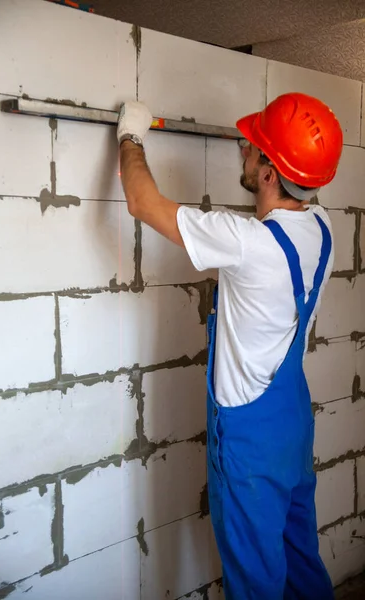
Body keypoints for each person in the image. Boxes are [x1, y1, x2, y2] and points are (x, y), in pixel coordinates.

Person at [116, 93, 343, 599]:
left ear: (269, 172)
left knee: (255, 582)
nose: (243, 147)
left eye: (255, 146)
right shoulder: (325, 229)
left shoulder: (247, 242)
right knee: (302, 564)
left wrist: (130, 136)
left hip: (248, 443)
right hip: (291, 426)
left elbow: (141, 202)